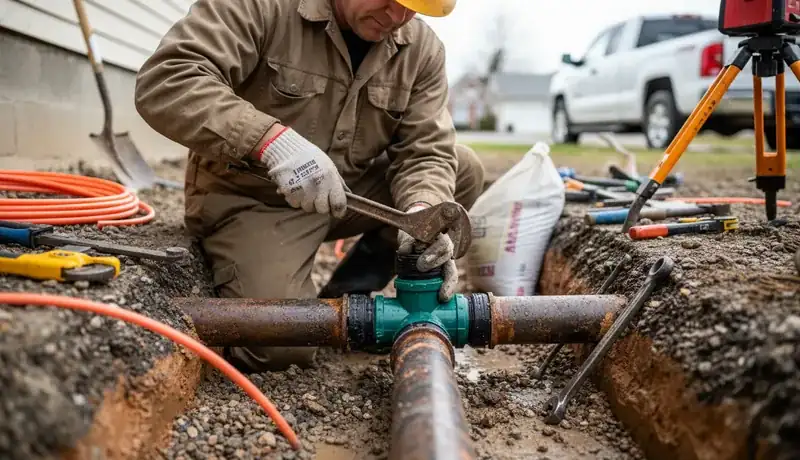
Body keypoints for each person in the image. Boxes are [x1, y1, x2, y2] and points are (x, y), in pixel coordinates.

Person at [134, 0, 485, 372]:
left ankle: (351, 294)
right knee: (281, 348)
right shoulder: (261, 7)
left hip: (344, 194)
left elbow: (426, 152)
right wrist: (269, 142)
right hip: (255, 199)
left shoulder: (421, 49)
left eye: (413, 8)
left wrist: (421, 216)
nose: (397, 17)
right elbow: (168, 79)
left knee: (463, 171)